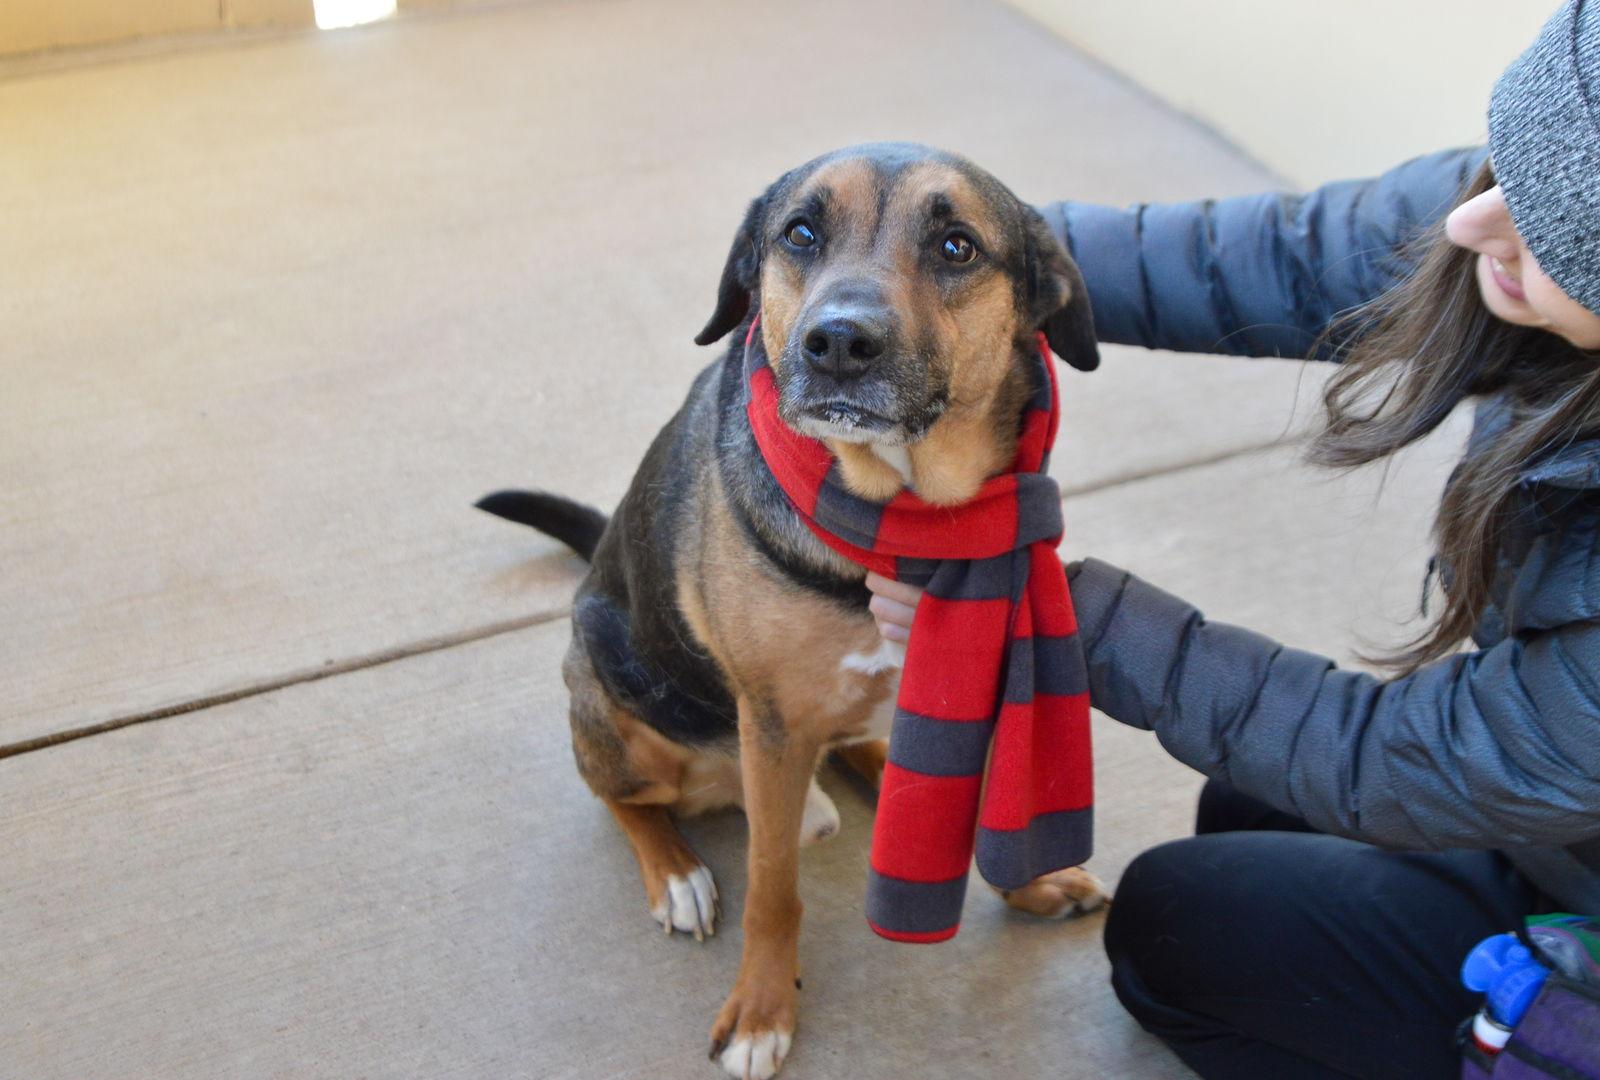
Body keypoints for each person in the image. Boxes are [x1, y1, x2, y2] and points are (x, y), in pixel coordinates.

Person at [865, 3, 1600, 1077]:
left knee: (1171, 927)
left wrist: (1052, 612)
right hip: (1566, 812)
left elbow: (1418, 759)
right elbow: (1283, 258)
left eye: (1552, 235)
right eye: (1503, 169)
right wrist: (943, 252)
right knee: (1240, 803)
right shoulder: (1525, 191)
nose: (1471, 223)